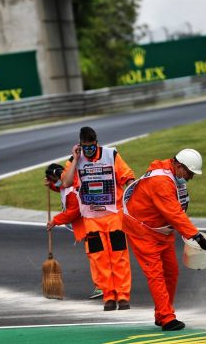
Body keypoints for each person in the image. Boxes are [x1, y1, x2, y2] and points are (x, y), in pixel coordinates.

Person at [122, 148, 206, 331]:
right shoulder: (161, 181)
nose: (190, 178)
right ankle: (166, 317)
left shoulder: (172, 174)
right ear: (179, 166)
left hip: (161, 230)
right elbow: (174, 213)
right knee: (155, 274)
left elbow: (176, 211)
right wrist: (196, 236)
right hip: (141, 230)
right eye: (189, 173)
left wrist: (192, 234)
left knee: (171, 271)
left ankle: (162, 313)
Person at [61, 127, 135, 311]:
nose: (89, 150)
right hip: (90, 219)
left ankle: (123, 296)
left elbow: (128, 177)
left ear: (96, 142)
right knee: (98, 258)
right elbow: (66, 182)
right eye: (85, 147)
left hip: (114, 215)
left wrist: (133, 193)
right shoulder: (75, 160)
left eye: (91, 147)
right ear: (80, 145)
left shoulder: (112, 155)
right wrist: (76, 158)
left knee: (119, 256)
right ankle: (108, 296)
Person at [45, 163, 103, 300]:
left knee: (96, 256)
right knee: (96, 255)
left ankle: (102, 285)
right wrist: (52, 186)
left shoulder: (72, 189)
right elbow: (62, 188)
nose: (56, 183)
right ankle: (103, 284)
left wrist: (55, 220)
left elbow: (73, 212)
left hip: (91, 225)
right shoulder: (68, 182)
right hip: (90, 223)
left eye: (54, 180)